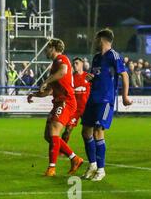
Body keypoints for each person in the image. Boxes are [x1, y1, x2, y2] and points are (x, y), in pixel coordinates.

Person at [81, 29, 132, 181]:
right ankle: (92, 165)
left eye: (96, 39)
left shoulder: (114, 56)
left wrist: (125, 96)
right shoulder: (96, 58)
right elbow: (98, 76)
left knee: (98, 131)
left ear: (102, 39)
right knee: (85, 132)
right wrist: (91, 77)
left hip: (105, 101)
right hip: (92, 99)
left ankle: (101, 170)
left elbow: (124, 75)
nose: (94, 42)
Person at [27, 39, 84, 177]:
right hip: (59, 102)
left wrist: (46, 81)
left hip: (66, 101)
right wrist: (35, 94)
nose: (46, 50)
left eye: (47, 48)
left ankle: (51, 168)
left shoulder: (61, 59)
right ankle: (74, 158)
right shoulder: (54, 66)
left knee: (54, 130)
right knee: (49, 135)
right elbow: (50, 90)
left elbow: (63, 72)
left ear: (53, 48)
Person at [61, 57, 91, 143]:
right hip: (75, 109)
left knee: (89, 132)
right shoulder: (71, 78)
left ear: (82, 64)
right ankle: (62, 150)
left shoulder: (88, 76)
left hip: (86, 109)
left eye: (77, 63)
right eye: (73, 63)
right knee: (68, 130)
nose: (75, 65)